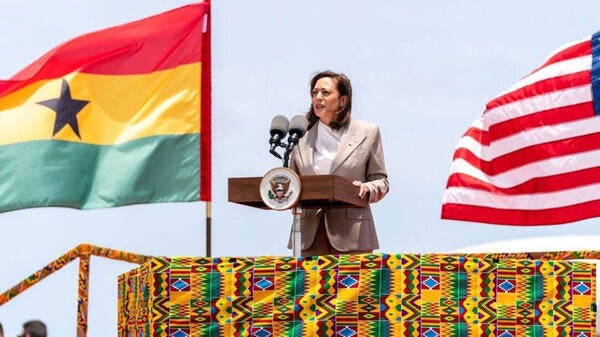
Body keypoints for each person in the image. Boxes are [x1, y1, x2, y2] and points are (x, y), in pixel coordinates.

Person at [288, 70, 389, 256]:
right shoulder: (299, 137)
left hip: (354, 233)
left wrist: (367, 189)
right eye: (314, 93)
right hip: (309, 234)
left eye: (325, 93)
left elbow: (381, 181)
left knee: (354, 286)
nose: (318, 97)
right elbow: (291, 183)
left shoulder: (368, 132)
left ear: (343, 100)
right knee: (311, 286)